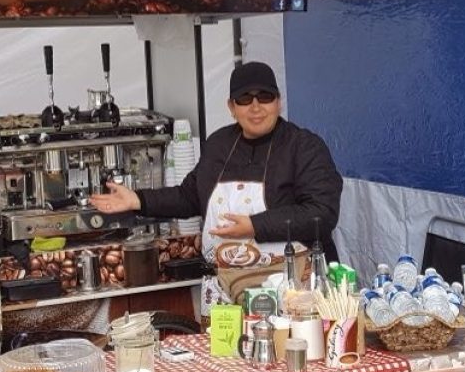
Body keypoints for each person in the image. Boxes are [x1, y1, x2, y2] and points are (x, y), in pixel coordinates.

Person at [92, 61, 343, 274]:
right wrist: (138, 199)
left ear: (279, 102)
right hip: (227, 283)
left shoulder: (304, 146)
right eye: (245, 99)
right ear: (232, 107)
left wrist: (255, 226)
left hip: (295, 283)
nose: (255, 107)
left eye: (265, 97)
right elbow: (189, 196)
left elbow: (321, 213)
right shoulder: (219, 144)